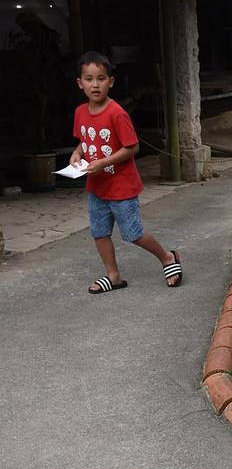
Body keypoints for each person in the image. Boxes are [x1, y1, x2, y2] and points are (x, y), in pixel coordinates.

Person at [70, 51, 182, 294]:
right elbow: (84, 140)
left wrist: (103, 162)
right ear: (80, 83)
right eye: (89, 79)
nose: (95, 84)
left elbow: (133, 147)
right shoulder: (80, 112)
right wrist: (77, 153)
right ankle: (114, 276)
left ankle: (167, 258)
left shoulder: (117, 113)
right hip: (97, 187)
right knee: (99, 233)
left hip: (122, 186)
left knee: (133, 233)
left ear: (111, 81)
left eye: (101, 78)